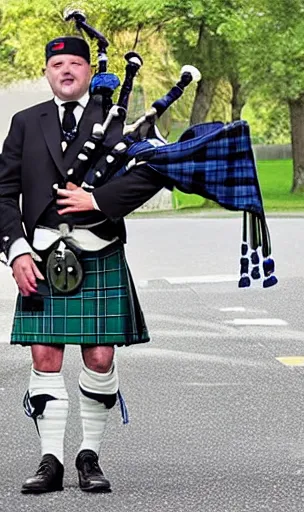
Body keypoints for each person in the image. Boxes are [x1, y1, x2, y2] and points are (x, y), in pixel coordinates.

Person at [0, 36, 164, 493]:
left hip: (100, 249)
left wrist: (97, 199)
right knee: (45, 355)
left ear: (90, 72)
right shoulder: (25, 122)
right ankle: (49, 460)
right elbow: (3, 191)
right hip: (41, 255)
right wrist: (15, 250)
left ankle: (89, 456)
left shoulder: (114, 121)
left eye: (75, 63)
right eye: (57, 63)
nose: (66, 70)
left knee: (99, 354)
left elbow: (151, 173)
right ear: (47, 72)